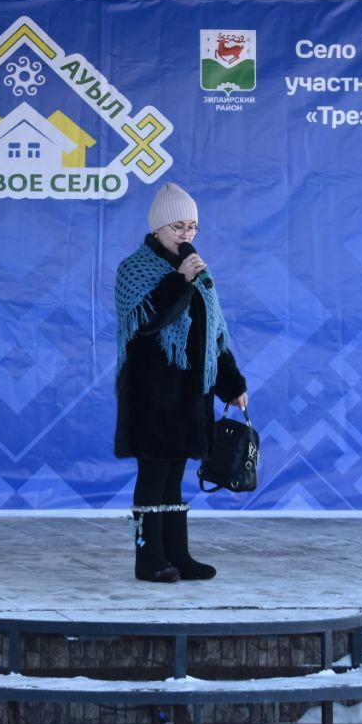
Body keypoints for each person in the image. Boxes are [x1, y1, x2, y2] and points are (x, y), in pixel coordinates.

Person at [114, 183, 249, 582]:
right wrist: (179, 280)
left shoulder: (201, 276)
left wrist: (232, 384)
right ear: (157, 228)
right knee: (153, 474)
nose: (186, 235)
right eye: (178, 226)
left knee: (175, 476)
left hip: (190, 394)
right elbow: (147, 322)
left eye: (192, 227)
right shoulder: (134, 269)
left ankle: (177, 554)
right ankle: (148, 558)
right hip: (151, 395)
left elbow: (215, 337)